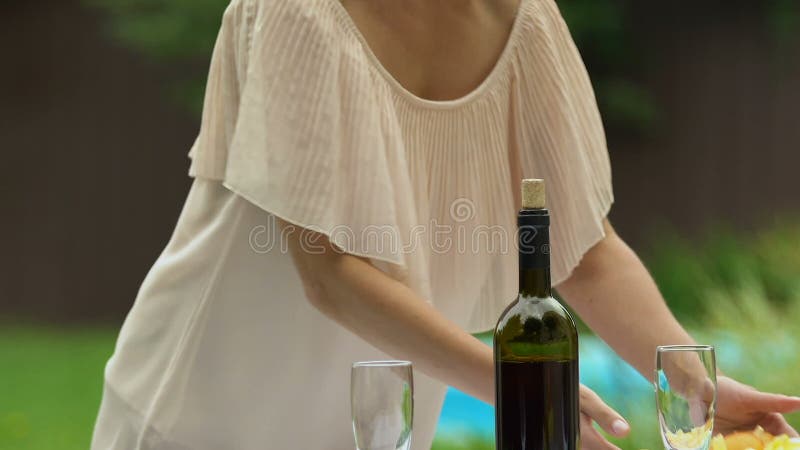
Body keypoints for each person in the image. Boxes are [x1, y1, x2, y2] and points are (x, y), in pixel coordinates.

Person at [91, 0, 800, 448]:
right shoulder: (295, 12)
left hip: (377, 431)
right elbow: (332, 275)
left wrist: (688, 379)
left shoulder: (529, 25)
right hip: (199, 417)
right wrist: (524, 390)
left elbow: (584, 253)